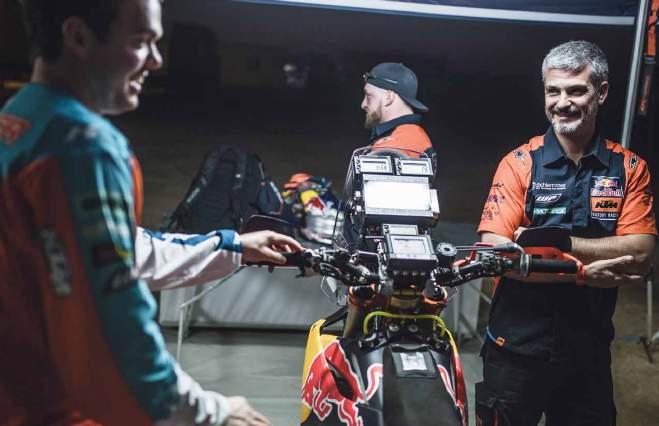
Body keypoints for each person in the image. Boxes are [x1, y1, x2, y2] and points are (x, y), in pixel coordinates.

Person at [0, 0, 302, 425]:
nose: (156, 61)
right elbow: (115, 328)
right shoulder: (84, 148)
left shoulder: (18, 121)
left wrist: (234, 246)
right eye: (141, 41)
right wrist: (214, 413)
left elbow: (122, 251)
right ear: (79, 37)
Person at [475, 40, 657, 425]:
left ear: (601, 93)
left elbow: (641, 252)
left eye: (576, 90)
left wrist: (557, 243)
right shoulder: (519, 163)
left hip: (588, 354)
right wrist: (581, 274)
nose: (562, 103)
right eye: (553, 91)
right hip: (515, 349)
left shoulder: (629, 168)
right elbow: (495, 254)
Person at [360, 62, 436, 169]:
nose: (363, 104)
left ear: (389, 97)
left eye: (369, 95)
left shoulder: (397, 145)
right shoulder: (408, 136)